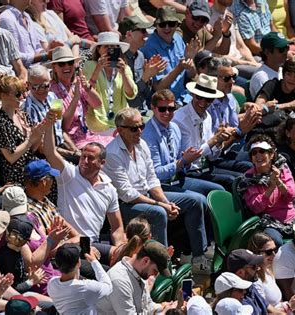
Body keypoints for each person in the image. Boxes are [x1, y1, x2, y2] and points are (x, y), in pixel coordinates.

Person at [104, 107, 210, 274]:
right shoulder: (112, 153)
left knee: (196, 201)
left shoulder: (141, 144)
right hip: (124, 205)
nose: (139, 131)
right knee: (159, 212)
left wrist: (167, 203)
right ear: (120, 131)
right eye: (134, 128)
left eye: (142, 126)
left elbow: (152, 180)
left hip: (145, 196)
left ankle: (198, 257)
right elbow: (128, 194)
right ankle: (162, 267)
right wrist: (160, 204)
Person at [43, 112, 126, 264]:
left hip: (92, 244)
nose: (84, 161)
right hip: (69, 243)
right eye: (83, 156)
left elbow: (117, 227)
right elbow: (50, 152)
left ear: (102, 163)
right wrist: (49, 125)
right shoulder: (69, 174)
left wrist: (121, 246)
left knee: (125, 257)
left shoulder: (109, 189)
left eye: (90, 158)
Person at [142, 89, 225, 197]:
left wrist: (186, 161)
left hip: (179, 177)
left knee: (219, 190)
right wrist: (183, 161)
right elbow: (156, 174)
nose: (167, 113)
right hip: (159, 186)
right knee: (198, 200)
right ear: (153, 108)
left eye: (171, 109)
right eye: (162, 109)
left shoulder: (174, 128)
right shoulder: (149, 135)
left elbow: (183, 161)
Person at [172, 74, 241, 191]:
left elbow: (211, 157)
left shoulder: (207, 116)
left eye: (208, 99)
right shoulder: (180, 119)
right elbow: (190, 157)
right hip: (186, 173)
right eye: (199, 97)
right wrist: (214, 140)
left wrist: (219, 142)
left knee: (239, 178)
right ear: (193, 95)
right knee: (228, 182)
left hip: (204, 168)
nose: (203, 103)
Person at [238, 134, 295, 247]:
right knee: (276, 241)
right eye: (254, 153)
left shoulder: (282, 167)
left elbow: (291, 196)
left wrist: (279, 182)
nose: (258, 155)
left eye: (262, 151)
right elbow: (255, 207)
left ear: (271, 154)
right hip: (270, 221)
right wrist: (270, 188)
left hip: (291, 217)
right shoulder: (248, 179)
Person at [48, 45, 112, 149]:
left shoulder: (77, 83)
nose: (66, 67)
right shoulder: (52, 92)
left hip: (87, 136)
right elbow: (63, 126)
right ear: (54, 68)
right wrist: (76, 97)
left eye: (70, 63)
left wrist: (87, 88)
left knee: (117, 143)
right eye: (61, 64)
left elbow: (97, 104)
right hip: (71, 142)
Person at [0, 75, 44, 186]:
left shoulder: (22, 115)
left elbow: (33, 149)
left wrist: (40, 133)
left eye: (23, 92)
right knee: (52, 181)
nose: (22, 97)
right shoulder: (0, 123)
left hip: (31, 165)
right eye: (18, 94)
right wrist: (30, 139)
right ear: (4, 96)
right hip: (17, 175)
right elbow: (11, 157)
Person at [247, 232, 295, 312]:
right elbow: (263, 312)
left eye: (275, 250)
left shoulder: (269, 270)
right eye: (269, 252)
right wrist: (290, 306)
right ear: (256, 253)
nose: (274, 255)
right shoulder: (255, 281)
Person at [82, 32, 137, 135]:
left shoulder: (125, 68)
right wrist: (98, 69)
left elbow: (131, 94)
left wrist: (123, 74)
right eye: (106, 46)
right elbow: (87, 92)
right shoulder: (89, 66)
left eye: (113, 47)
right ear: (99, 49)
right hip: (96, 123)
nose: (109, 50)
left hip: (121, 122)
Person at [141, 6, 196, 106]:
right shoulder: (149, 47)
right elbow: (158, 88)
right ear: (156, 25)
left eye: (171, 24)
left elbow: (191, 75)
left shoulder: (178, 39)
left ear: (177, 25)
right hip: (163, 106)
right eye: (162, 24)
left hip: (183, 98)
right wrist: (179, 68)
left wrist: (190, 61)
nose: (167, 28)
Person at [96, 240, 171, 314]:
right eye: (155, 270)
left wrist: (165, 308)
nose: (154, 275)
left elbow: (147, 306)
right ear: (146, 261)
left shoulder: (139, 273)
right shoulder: (120, 280)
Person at [23, 64, 79, 162]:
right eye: (35, 87)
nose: (41, 90)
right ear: (28, 85)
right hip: (44, 156)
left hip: (60, 148)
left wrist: (75, 150)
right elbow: (41, 147)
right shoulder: (28, 109)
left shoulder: (53, 96)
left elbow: (60, 129)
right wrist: (72, 155)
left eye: (45, 86)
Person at [119, 15, 167, 113]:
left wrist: (149, 78)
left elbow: (145, 95)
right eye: (143, 31)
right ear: (129, 34)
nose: (146, 34)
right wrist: (145, 77)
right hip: (127, 115)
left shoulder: (140, 55)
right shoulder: (118, 59)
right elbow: (129, 100)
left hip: (144, 110)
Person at [47, 243, 112, 314]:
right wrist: (94, 261)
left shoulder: (51, 284)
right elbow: (108, 287)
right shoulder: (86, 287)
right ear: (79, 262)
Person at [209, 0, 260, 80]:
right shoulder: (209, 18)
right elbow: (220, 55)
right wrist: (250, 64)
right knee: (261, 71)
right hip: (229, 65)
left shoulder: (230, 15)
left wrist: (254, 62)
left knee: (263, 62)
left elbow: (241, 46)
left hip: (240, 59)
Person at [0, 0, 54, 67]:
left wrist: (50, 51)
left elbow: (37, 48)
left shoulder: (27, 16)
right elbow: (15, 57)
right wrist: (45, 56)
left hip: (38, 67)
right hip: (25, 72)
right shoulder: (6, 19)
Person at [225, 249, 271, 314]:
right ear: (240, 272)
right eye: (254, 267)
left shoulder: (250, 286)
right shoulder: (236, 298)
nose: (258, 268)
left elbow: (267, 307)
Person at [249, 32, 289, 100]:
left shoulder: (283, 70)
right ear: (267, 52)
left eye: (287, 48)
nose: (285, 52)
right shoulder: (261, 77)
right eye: (281, 50)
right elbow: (268, 106)